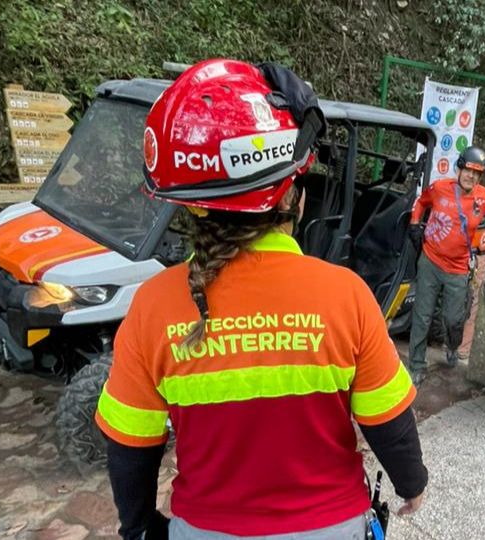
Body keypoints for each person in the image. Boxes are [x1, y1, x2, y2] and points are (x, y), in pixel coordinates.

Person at [95, 59, 427, 540]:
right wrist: (411, 484)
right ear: (291, 195)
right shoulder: (346, 296)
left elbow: (129, 446)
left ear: (187, 203)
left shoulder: (152, 307)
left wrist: (140, 526)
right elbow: (389, 421)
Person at [406, 146, 485, 385]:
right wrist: (414, 223)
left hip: (458, 268)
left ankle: (452, 345)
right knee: (422, 315)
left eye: (477, 173)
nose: (471, 176)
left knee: (453, 319)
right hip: (430, 260)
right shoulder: (440, 188)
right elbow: (421, 202)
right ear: (460, 169)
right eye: (468, 170)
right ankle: (416, 365)